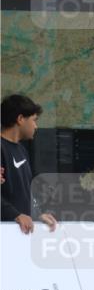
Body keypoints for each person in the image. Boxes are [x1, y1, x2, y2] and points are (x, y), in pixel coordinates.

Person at [1, 94, 57, 234]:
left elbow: (26, 192)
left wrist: (38, 214)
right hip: (6, 232)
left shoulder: (22, 150)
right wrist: (15, 215)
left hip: (22, 232)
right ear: (20, 119)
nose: (36, 126)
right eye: (34, 120)